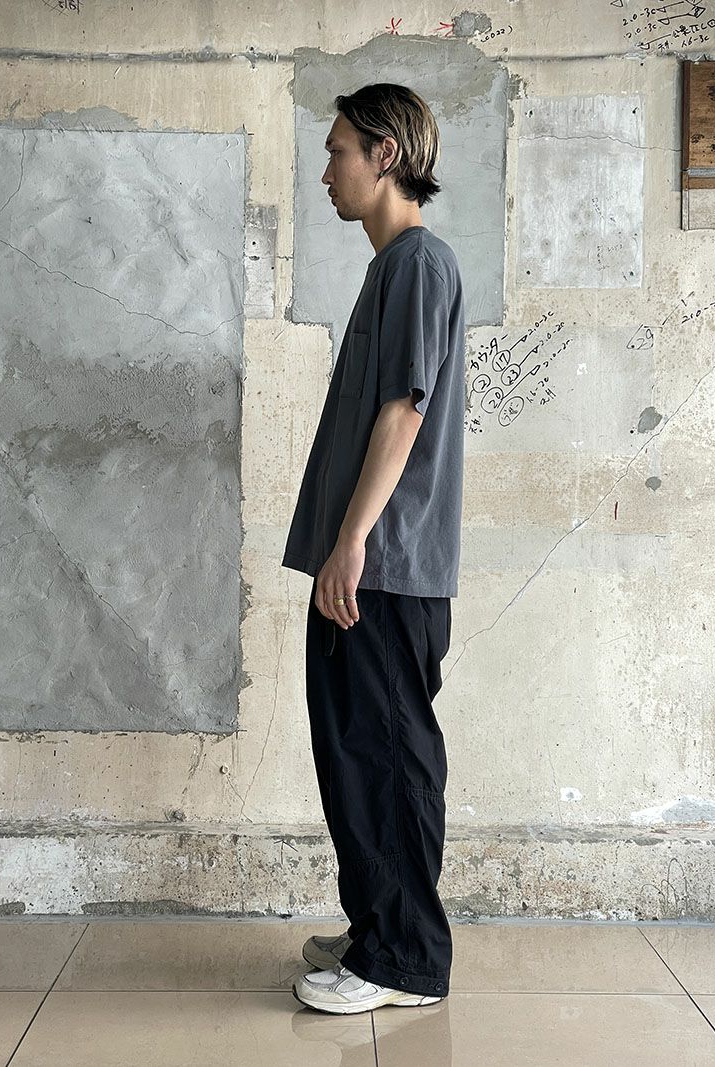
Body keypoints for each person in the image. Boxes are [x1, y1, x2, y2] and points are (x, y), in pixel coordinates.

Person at [281, 83, 465, 1014]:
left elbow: (404, 411)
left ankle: (406, 962)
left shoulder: (419, 264)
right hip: (361, 564)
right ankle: (377, 931)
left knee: (388, 756)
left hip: (384, 566)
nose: (327, 172)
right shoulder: (393, 267)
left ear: (385, 154)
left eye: (338, 151)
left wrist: (351, 541)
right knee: (355, 753)